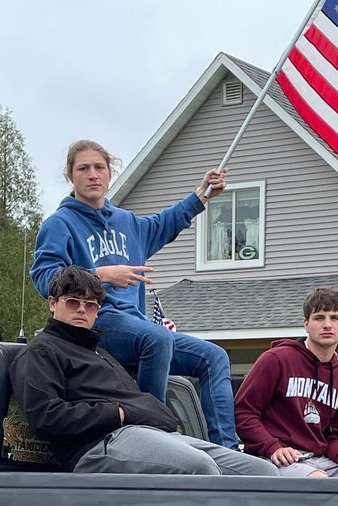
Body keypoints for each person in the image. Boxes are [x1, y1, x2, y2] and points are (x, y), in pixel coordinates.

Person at [30, 139, 239, 450]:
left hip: (135, 325)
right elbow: (44, 278)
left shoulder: (127, 222)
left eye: (99, 167)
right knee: (157, 338)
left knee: (214, 357)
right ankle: (155, 436)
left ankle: (228, 449)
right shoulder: (60, 224)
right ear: (70, 175)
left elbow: (165, 222)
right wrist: (101, 275)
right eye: (83, 168)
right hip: (95, 325)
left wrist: (202, 195)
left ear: (110, 173)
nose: (92, 174)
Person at [10, 267, 277, 478]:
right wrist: (118, 413)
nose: (82, 309)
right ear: (52, 303)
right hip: (95, 445)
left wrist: (140, 412)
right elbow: (46, 416)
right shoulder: (40, 352)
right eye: (73, 302)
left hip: (148, 434)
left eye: (91, 305)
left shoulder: (100, 354)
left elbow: (148, 408)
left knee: (261, 472)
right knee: (199, 467)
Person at [234, 287, 338, 479]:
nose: (327, 325)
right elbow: (243, 413)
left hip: (320, 460)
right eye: (319, 318)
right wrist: (273, 446)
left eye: (334, 318)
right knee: (319, 481)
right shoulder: (276, 360)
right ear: (306, 324)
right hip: (273, 458)